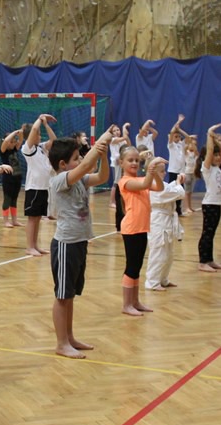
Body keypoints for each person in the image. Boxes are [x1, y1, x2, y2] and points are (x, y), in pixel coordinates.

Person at [49, 129, 114, 359]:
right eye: (76, 158)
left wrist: (103, 155)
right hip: (65, 244)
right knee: (62, 296)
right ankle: (61, 343)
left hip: (79, 242)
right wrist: (102, 141)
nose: (80, 161)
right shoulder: (60, 180)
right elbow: (86, 166)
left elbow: (101, 177)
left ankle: (69, 337)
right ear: (63, 164)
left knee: (70, 295)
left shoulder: (78, 180)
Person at [117, 146, 165, 315]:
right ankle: (126, 305)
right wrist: (151, 167)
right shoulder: (125, 181)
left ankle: (135, 301)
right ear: (121, 163)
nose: (134, 163)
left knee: (137, 267)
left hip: (142, 227)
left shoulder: (140, 179)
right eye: (130, 160)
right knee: (131, 267)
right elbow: (145, 183)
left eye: (137, 160)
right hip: (131, 228)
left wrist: (155, 172)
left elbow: (159, 188)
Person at [145, 163, 186, 291]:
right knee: (158, 252)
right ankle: (152, 282)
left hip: (166, 220)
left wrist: (177, 182)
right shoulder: (152, 186)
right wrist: (178, 183)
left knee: (168, 254)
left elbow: (170, 188)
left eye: (164, 170)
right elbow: (180, 193)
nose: (165, 173)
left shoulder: (162, 185)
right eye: (162, 171)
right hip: (158, 221)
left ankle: (163, 279)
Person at [22, 113, 56, 256]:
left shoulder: (41, 147)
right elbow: (35, 129)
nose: (40, 136)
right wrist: (40, 118)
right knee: (32, 218)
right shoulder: (27, 149)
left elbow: (54, 141)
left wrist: (46, 124)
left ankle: (35, 245)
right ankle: (29, 246)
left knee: (38, 218)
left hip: (44, 188)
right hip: (34, 188)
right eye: (38, 134)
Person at [197, 124, 221, 272]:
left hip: (217, 204)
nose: (217, 157)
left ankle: (210, 259)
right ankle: (202, 262)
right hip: (209, 204)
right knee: (207, 233)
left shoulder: (217, 167)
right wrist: (209, 134)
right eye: (214, 155)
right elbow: (210, 150)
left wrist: (216, 142)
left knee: (212, 233)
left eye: (217, 155)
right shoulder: (207, 168)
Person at [0, 127, 25, 227]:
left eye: (14, 142)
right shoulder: (3, 151)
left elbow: (21, 140)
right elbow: (6, 141)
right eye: (12, 142)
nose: (14, 143)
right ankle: (6, 221)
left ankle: (14, 220)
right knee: (7, 199)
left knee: (14, 199)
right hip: (8, 179)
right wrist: (14, 132)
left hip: (17, 177)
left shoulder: (14, 149)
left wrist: (20, 132)